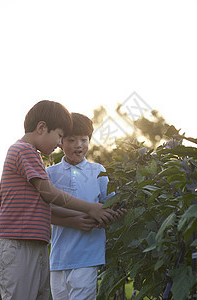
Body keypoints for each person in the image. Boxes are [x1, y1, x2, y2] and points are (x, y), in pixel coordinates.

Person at [0, 101, 116, 300]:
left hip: (34, 242)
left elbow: (42, 206)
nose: (58, 143)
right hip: (19, 242)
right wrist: (91, 208)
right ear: (42, 128)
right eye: (60, 136)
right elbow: (49, 194)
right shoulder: (23, 151)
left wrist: (77, 218)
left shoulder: (32, 155)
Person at [47, 113, 125, 300]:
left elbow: (111, 204)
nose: (79, 145)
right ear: (60, 142)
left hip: (87, 255)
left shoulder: (98, 171)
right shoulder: (50, 173)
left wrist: (112, 213)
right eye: (72, 140)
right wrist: (73, 220)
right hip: (58, 258)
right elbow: (42, 209)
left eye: (84, 139)